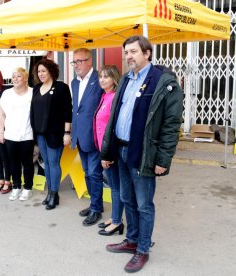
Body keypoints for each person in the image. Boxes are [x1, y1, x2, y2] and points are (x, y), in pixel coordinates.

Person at [101, 36, 183, 273]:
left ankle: (143, 249)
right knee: (127, 198)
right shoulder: (126, 79)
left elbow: (171, 124)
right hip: (122, 150)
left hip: (144, 153)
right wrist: (108, 151)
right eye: (126, 52)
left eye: (134, 52)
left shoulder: (163, 82)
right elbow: (115, 117)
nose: (128, 56)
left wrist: (163, 160)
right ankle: (132, 240)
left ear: (147, 53)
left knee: (144, 204)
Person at [30, 59, 72, 210]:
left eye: (44, 71)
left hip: (55, 133)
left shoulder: (61, 87)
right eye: (39, 71)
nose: (41, 74)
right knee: (46, 163)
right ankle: (50, 193)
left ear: (51, 71)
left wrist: (67, 133)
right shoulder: (36, 88)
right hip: (40, 133)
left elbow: (68, 111)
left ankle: (54, 194)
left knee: (54, 163)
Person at [71, 48, 104, 226]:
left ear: (89, 61)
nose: (76, 65)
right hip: (80, 135)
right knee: (87, 172)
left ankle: (96, 209)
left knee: (94, 173)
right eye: (74, 62)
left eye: (79, 61)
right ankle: (94, 204)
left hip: (94, 136)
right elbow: (75, 109)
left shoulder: (99, 79)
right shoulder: (74, 83)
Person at [93, 65, 124, 235]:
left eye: (106, 77)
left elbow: (112, 128)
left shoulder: (114, 98)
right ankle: (114, 216)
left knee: (116, 187)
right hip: (102, 149)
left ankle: (117, 221)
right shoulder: (105, 96)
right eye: (100, 77)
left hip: (110, 151)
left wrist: (107, 154)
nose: (102, 80)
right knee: (113, 186)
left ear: (114, 78)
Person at [0, 68, 35, 201]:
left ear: (25, 78)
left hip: (27, 134)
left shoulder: (33, 92)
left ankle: (28, 188)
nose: (15, 79)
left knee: (27, 163)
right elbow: (1, 115)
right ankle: (16, 187)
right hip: (10, 135)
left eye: (19, 76)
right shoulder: (7, 94)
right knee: (13, 163)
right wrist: (1, 132)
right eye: (13, 76)